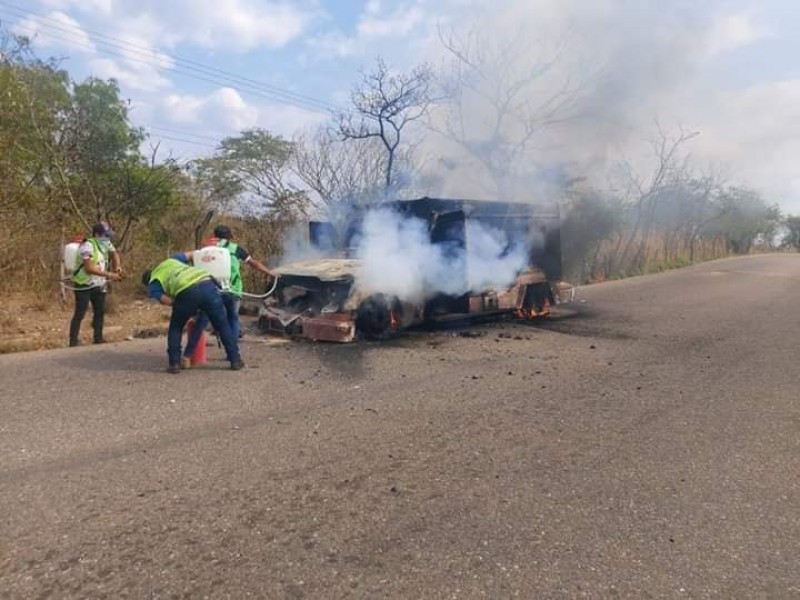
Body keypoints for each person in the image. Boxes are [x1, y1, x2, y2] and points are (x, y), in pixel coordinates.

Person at [183, 225, 276, 363]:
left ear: (214, 236)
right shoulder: (235, 248)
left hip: (209, 291)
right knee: (232, 320)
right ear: (229, 236)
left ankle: (187, 355)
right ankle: (233, 355)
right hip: (232, 290)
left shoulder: (204, 249)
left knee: (202, 321)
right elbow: (253, 263)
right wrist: (270, 272)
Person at [142, 253, 245, 374]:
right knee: (222, 325)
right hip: (207, 283)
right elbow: (191, 254)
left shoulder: (154, 281)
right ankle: (235, 360)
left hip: (186, 291)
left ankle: (174, 364)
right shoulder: (171, 261)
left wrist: (179, 305)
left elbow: (163, 298)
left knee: (176, 328)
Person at [69, 222, 122, 347]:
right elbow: (89, 269)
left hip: (98, 284)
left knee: (100, 310)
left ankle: (98, 338)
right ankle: (73, 340)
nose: (108, 238)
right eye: (106, 235)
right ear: (97, 234)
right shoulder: (87, 246)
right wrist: (110, 275)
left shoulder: (106, 243)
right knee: (80, 312)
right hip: (84, 284)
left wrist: (118, 266)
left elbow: (114, 253)